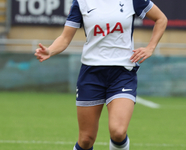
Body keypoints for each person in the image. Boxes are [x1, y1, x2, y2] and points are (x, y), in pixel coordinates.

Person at [35, 0, 167, 149]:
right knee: (86, 139)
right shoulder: (81, 2)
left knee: (118, 131)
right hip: (91, 74)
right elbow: (65, 38)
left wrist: (151, 47)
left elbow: (161, 19)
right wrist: (50, 50)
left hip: (122, 73)